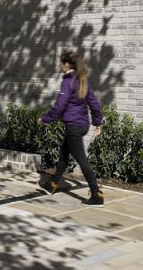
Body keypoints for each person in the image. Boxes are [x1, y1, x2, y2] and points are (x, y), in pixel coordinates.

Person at [38, 49, 104, 205]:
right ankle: (52, 183)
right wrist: (97, 122)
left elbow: (60, 106)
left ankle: (96, 194)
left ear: (66, 64)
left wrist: (45, 119)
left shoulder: (68, 81)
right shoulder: (82, 80)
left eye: (61, 63)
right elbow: (94, 102)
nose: (60, 66)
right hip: (82, 125)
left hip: (73, 126)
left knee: (82, 160)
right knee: (64, 154)